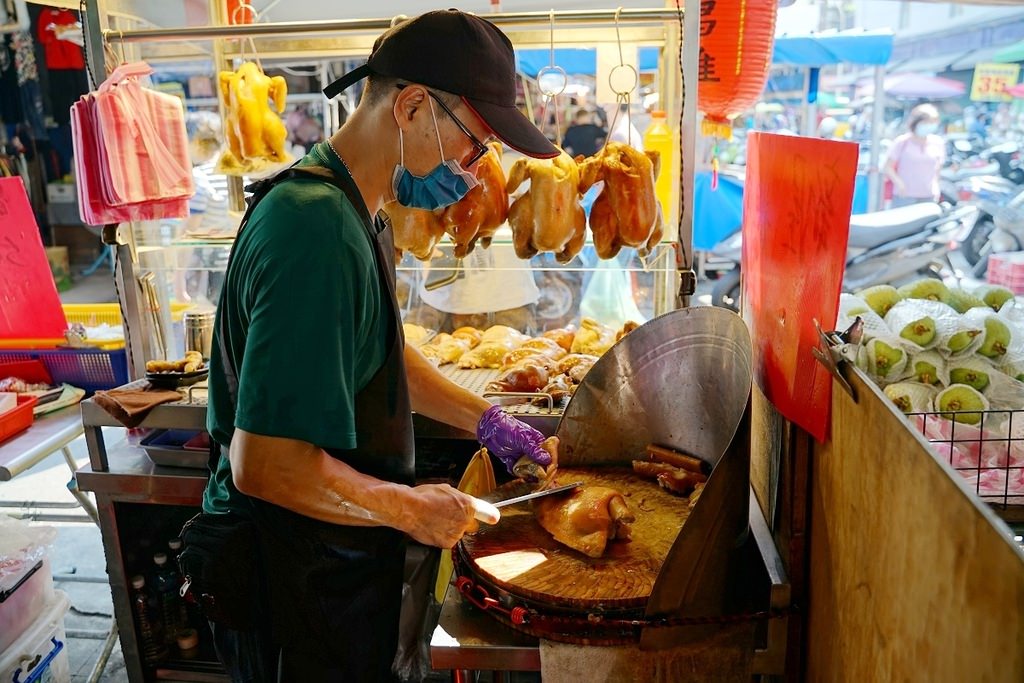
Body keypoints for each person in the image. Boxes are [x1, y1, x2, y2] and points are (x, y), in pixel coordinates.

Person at [198, 11, 561, 681]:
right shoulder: (313, 229)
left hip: (334, 555)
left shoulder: (361, 210)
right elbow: (266, 464)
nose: (475, 171)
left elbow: (381, 354)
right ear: (414, 107)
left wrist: (485, 419)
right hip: (288, 574)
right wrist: (408, 507)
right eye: (475, 145)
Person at [883, 103, 946, 208]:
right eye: (927, 122)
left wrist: (936, 186)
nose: (930, 125)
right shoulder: (902, 142)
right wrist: (899, 183)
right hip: (904, 196)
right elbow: (888, 167)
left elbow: (938, 168)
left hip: (928, 195)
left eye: (933, 122)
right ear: (916, 122)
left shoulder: (937, 142)